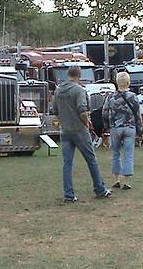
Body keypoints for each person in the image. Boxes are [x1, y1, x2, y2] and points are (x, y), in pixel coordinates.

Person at [53, 66, 112, 202]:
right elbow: (82, 110)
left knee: (67, 163)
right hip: (79, 130)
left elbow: (55, 110)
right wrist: (87, 123)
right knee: (91, 160)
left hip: (65, 131)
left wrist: (63, 121)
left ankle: (68, 194)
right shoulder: (79, 90)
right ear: (79, 76)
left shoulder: (58, 90)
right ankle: (100, 189)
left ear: (68, 74)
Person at [102, 72, 142, 190]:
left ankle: (116, 180)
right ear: (128, 82)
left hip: (115, 127)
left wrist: (106, 126)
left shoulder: (110, 97)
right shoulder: (133, 96)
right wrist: (140, 130)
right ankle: (127, 182)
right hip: (130, 127)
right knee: (128, 155)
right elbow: (138, 115)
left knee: (116, 154)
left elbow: (104, 112)